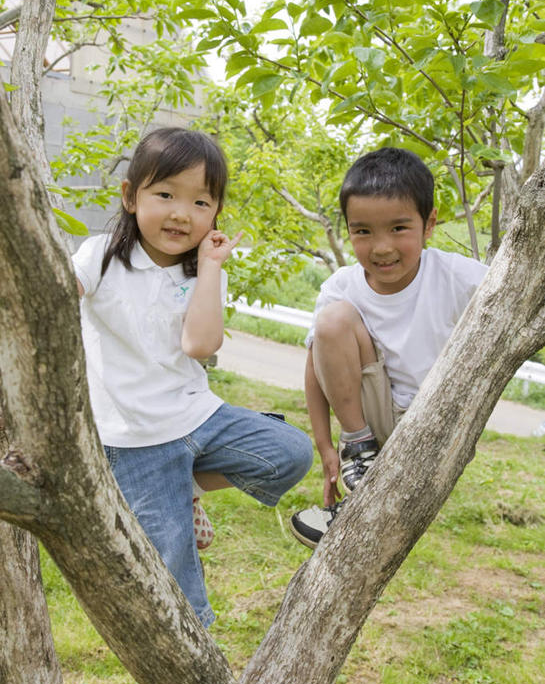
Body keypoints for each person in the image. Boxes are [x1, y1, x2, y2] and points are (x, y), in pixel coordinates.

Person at [72, 127, 313, 626]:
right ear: (130, 196)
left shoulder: (202, 271)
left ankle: (190, 488)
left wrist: (210, 268)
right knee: (176, 575)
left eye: (201, 202)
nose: (182, 214)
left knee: (290, 452)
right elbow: (51, 293)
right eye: (165, 195)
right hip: (135, 436)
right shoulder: (101, 256)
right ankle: (197, 649)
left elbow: (199, 346)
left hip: (197, 415)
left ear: (215, 212)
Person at [290, 147, 487, 549]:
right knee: (333, 320)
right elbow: (315, 367)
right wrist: (327, 448)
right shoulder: (342, 286)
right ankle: (359, 451)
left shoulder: (457, 276)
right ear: (347, 230)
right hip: (369, 418)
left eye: (398, 228)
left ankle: (351, 516)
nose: (381, 248)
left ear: (429, 224)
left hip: (435, 418)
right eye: (363, 232)